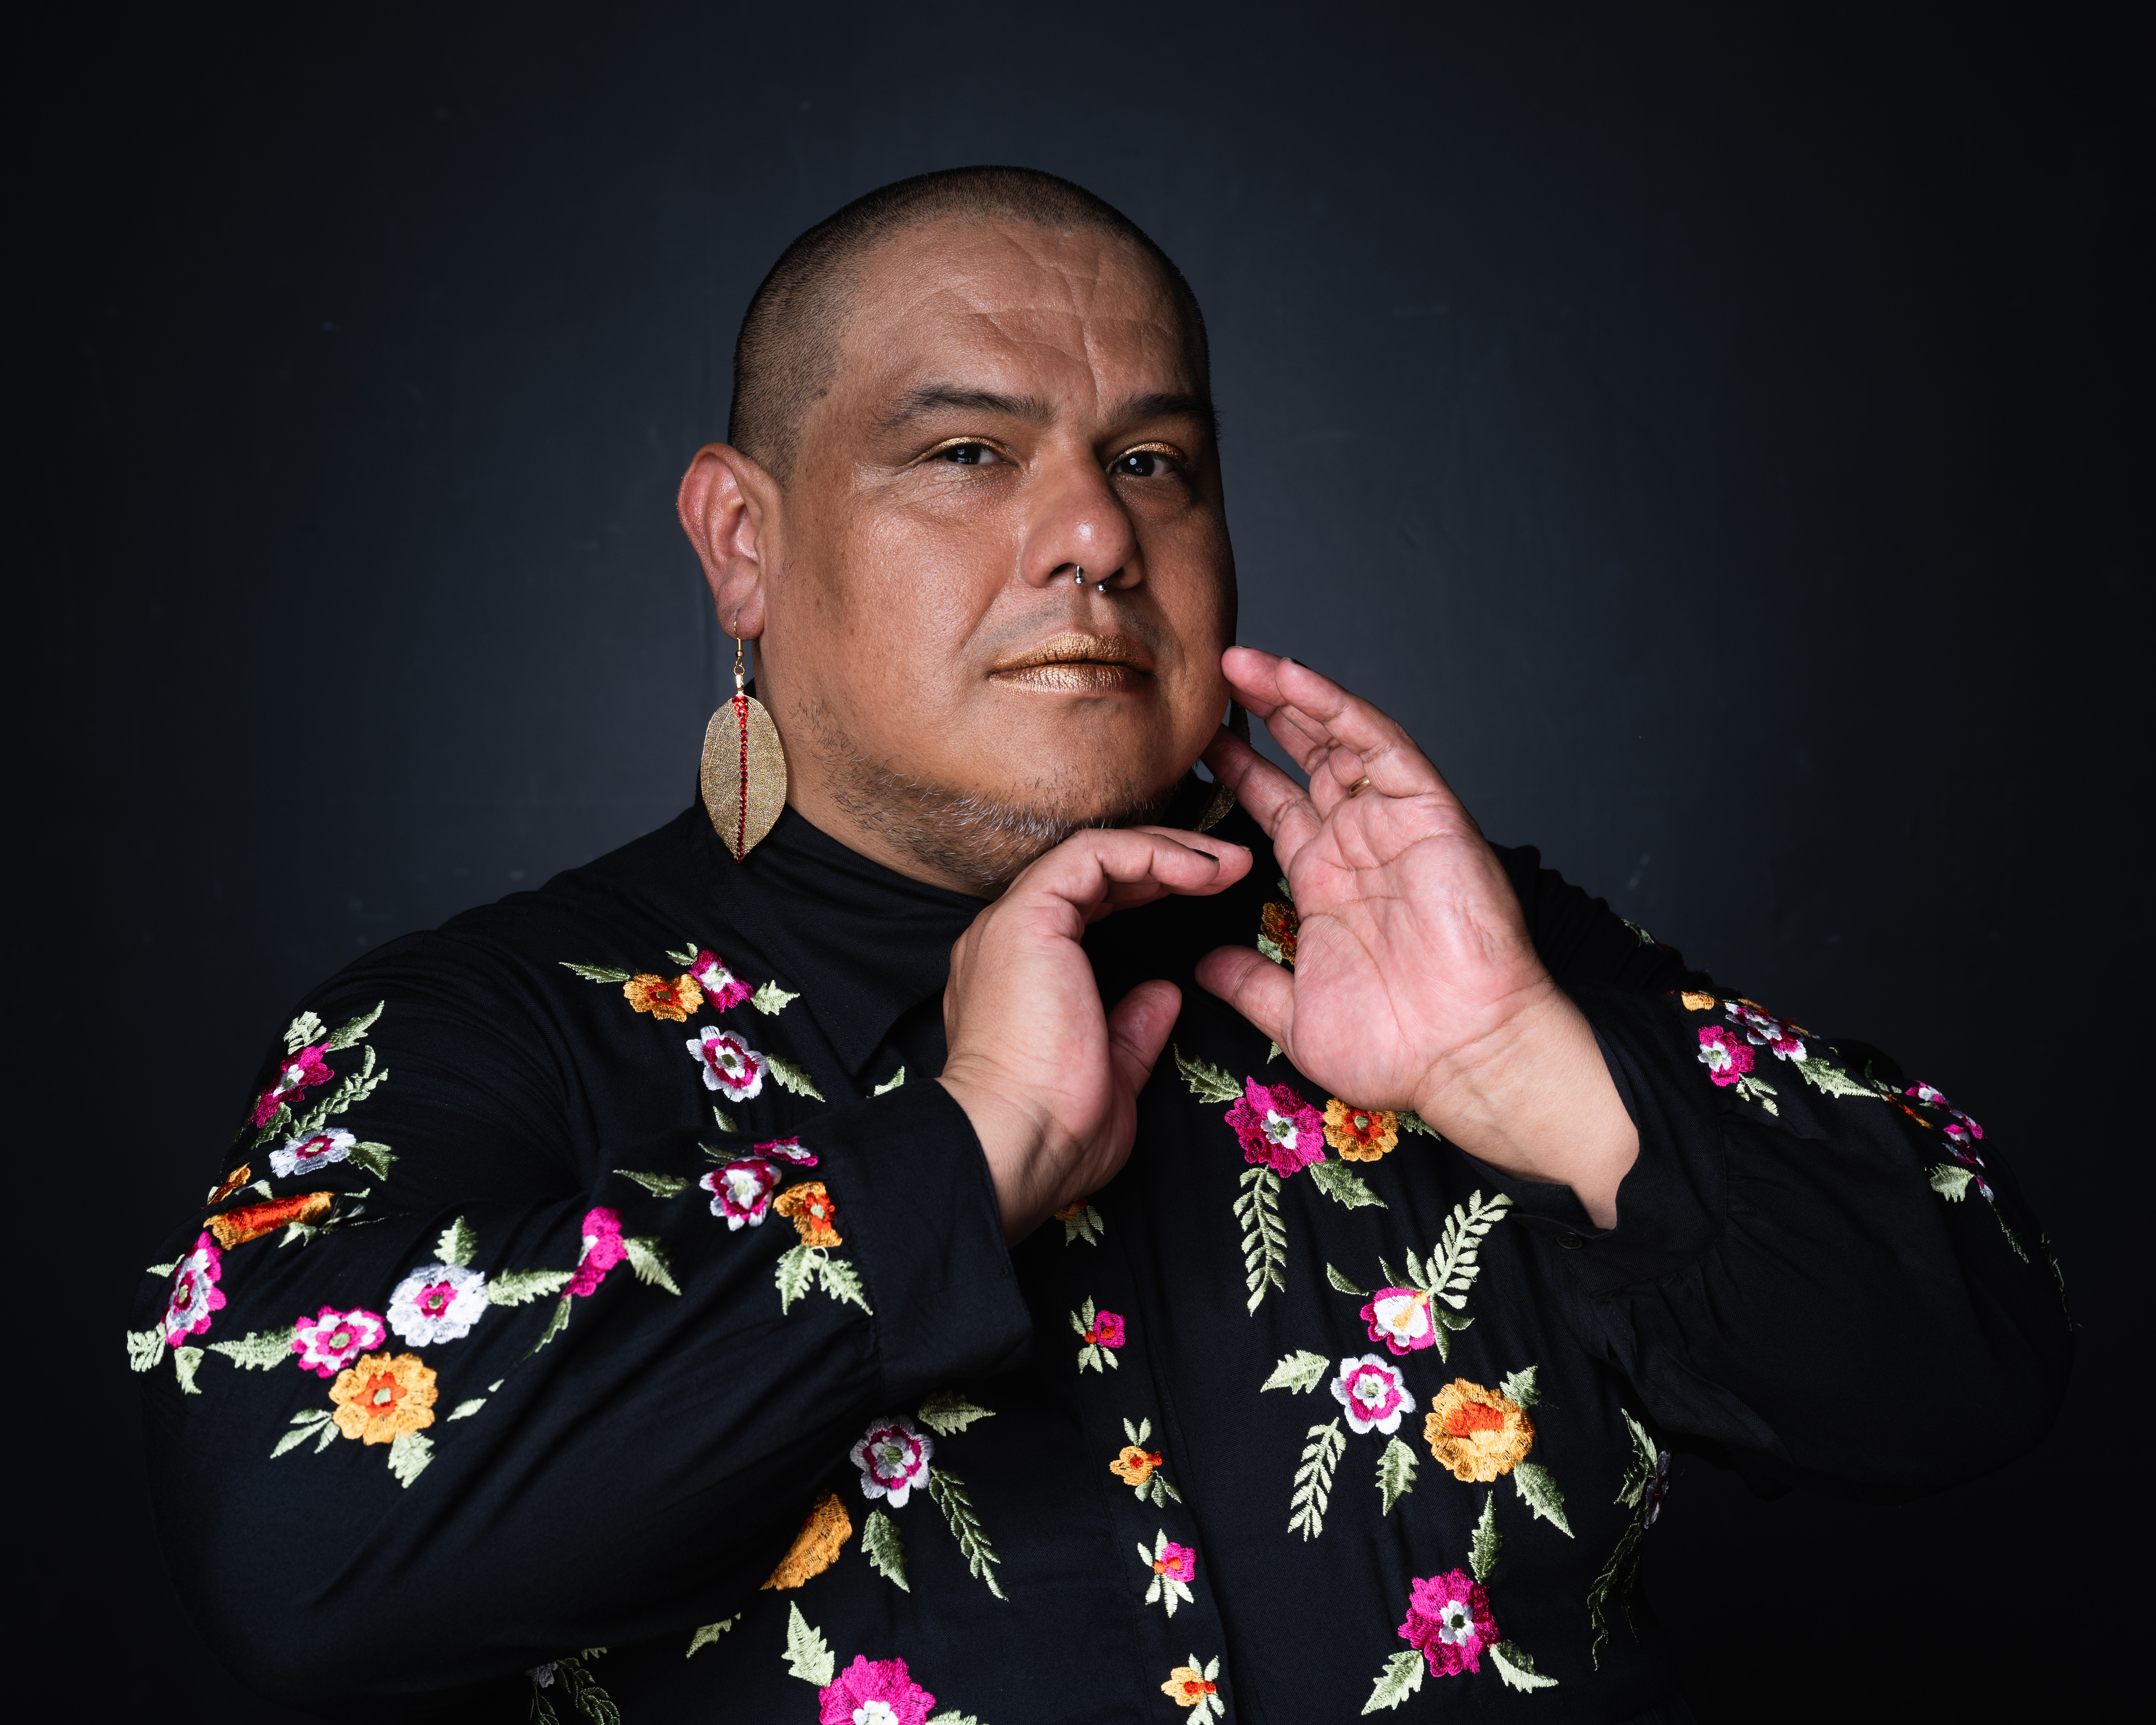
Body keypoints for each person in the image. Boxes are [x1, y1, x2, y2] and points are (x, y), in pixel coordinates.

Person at [131, 167, 2069, 1723]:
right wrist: (963, 1159)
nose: (1093, 538)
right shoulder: (488, 1030)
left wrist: (1526, 1075)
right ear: (743, 541)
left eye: (1154, 462)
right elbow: (300, 1560)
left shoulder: (1443, 941)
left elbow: (1971, 1369)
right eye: (967, 454)